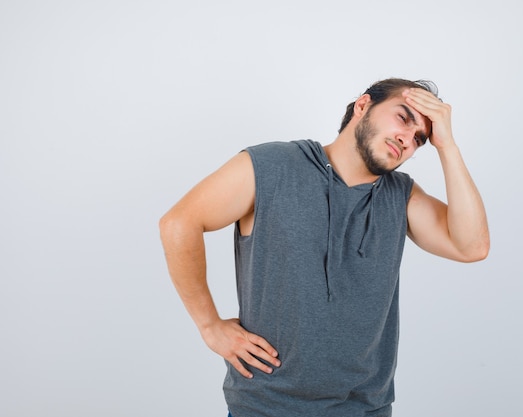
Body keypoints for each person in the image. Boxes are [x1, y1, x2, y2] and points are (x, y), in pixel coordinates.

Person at [159, 78, 490, 416]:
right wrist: (210, 325)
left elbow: (472, 246)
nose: (408, 139)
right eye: (403, 118)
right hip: (266, 407)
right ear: (363, 106)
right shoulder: (273, 166)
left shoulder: (401, 195)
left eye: (421, 139)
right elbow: (179, 223)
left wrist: (447, 146)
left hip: (365, 410)